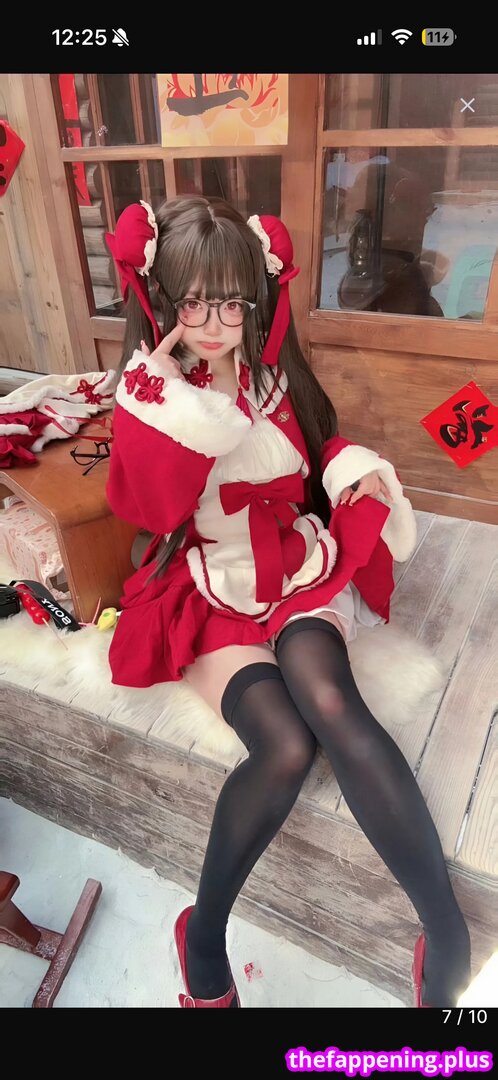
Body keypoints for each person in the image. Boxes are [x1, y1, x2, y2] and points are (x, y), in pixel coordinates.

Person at [105, 195, 470, 1009]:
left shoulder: (271, 374)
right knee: (284, 746)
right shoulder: (149, 392)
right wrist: (166, 404)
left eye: (232, 303)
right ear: (161, 298)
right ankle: (203, 937)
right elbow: (151, 509)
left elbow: (317, 445)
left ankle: (447, 934)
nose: (214, 324)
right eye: (193, 302)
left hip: (294, 565)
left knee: (331, 698)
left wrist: (351, 472)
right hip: (211, 585)